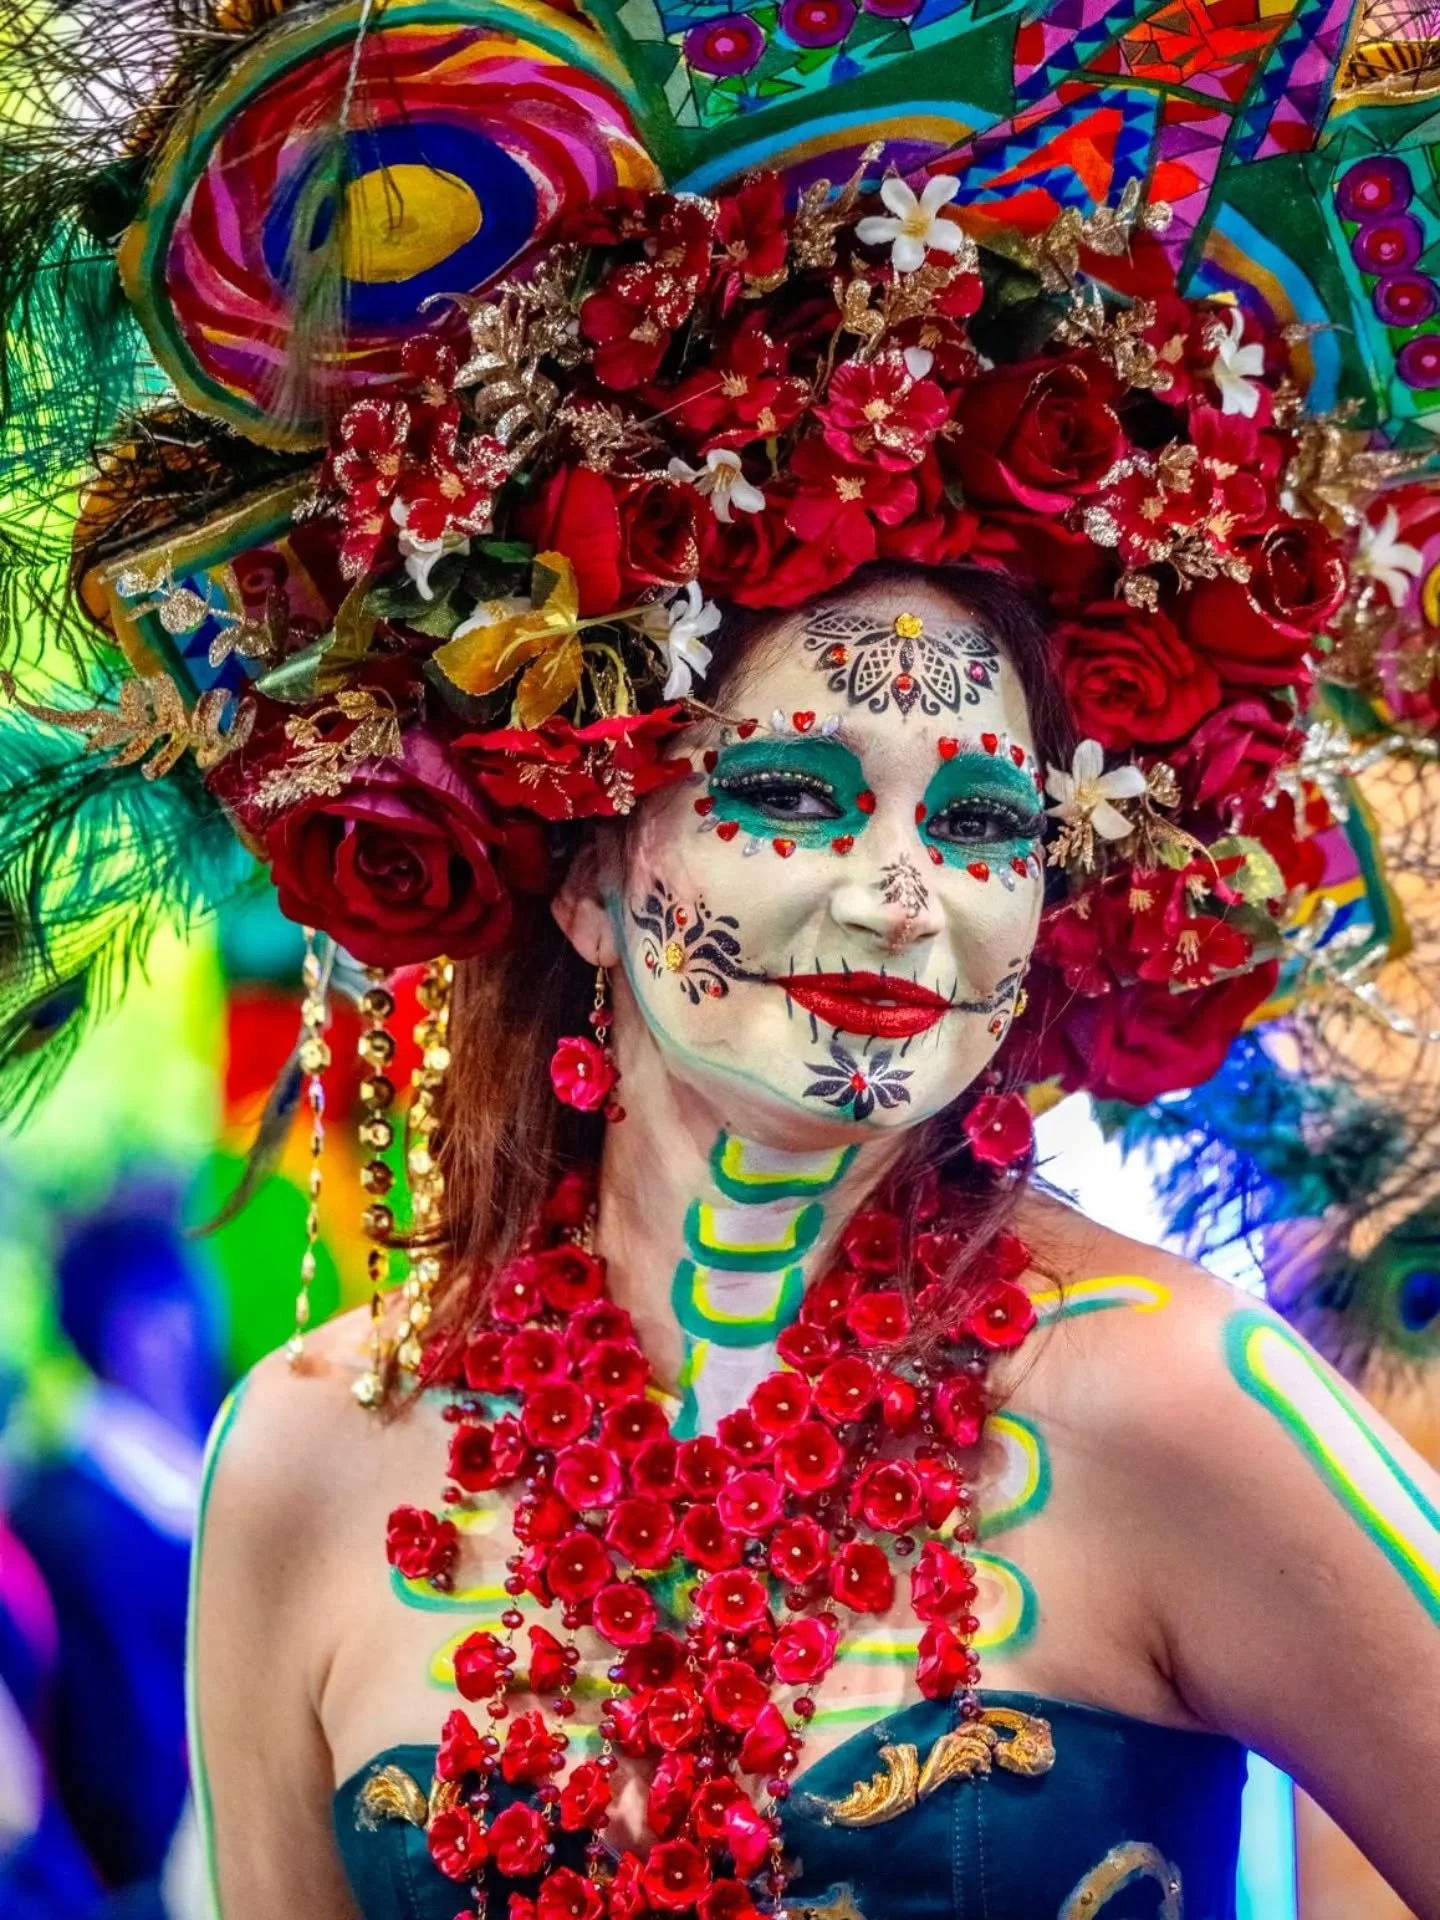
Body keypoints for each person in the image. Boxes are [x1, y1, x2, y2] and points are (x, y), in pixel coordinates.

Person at [192, 561, 1440, 1920]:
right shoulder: (305, 1457)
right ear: (590, 874)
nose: (902, 894)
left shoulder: (1178, 1403)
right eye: (794, 792)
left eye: (979, 820)